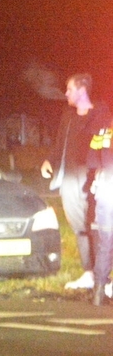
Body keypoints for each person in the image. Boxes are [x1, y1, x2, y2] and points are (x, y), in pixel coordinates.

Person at [41, 73, 108, 289]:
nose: (66, 93)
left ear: (81, 90)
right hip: (70, 177)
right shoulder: (68, 115)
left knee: (97, 225)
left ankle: (103, 274)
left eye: (69, 89)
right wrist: (49, 160)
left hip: (94, 176)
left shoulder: (102, 113)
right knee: (79, 226)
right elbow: (60, 143)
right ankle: (89, 272)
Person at [89, 118, 113, 305]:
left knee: (105, 244)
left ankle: (98, 291)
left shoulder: (104, 128)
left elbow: (92, 158)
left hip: (106, 189)